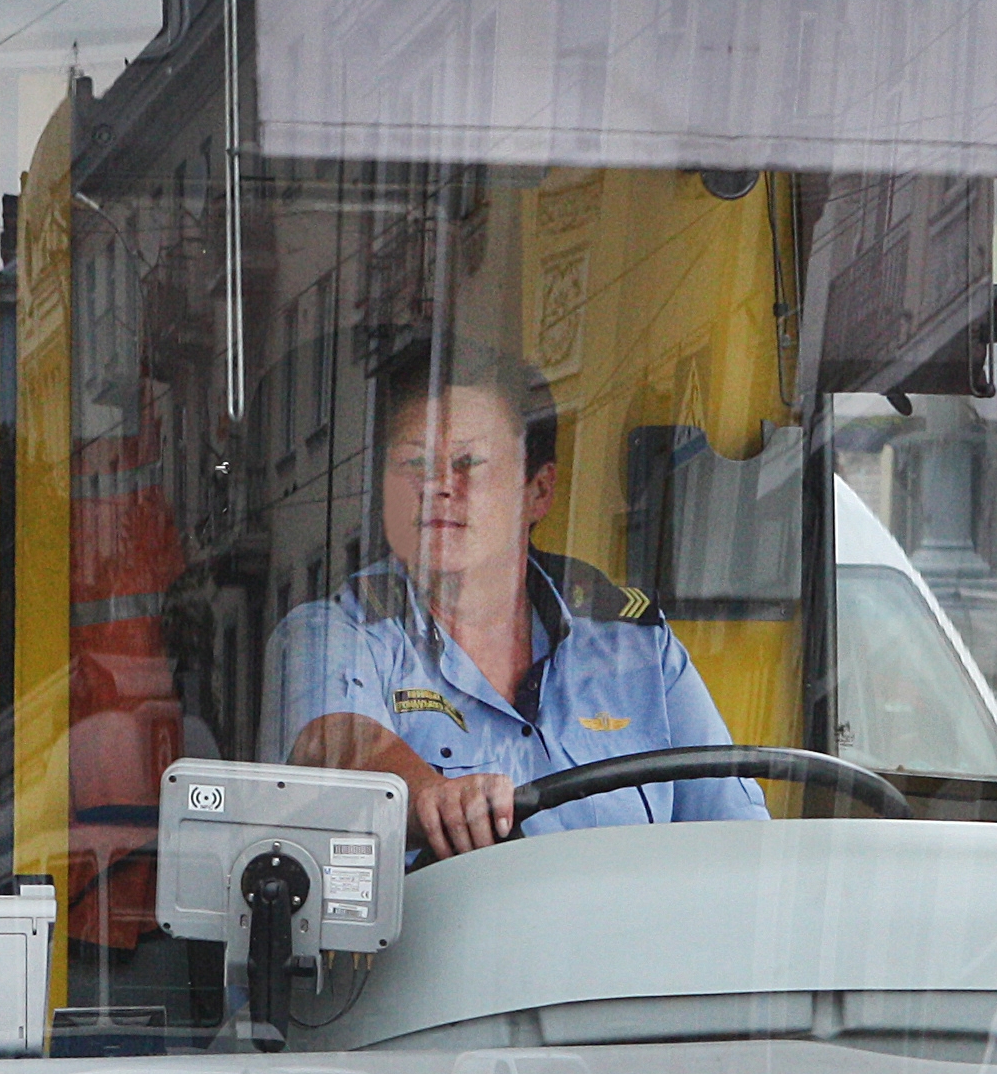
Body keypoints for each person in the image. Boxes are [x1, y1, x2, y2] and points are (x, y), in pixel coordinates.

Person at [273, 343, 766, 855]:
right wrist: (430, 797)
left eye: (469, 463)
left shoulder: (638, 647)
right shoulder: (338, 629)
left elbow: (739, 837)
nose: (438, 487)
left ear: (539, 491)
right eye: (414, 463)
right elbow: (332, 744)